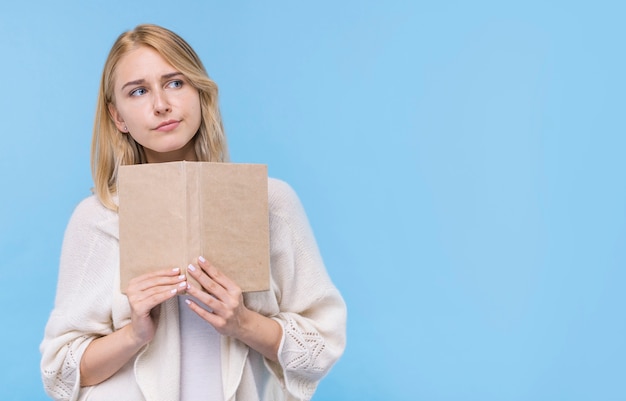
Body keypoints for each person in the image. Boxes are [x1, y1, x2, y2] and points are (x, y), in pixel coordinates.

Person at [40, 24, 347, 401]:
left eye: (175, 83)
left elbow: (321, 349)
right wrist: (135, 332)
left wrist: (243, 323)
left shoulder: (270, 201)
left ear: (200, 93)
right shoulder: (97, 218)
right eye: (138, 91)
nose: (160, 104)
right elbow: (60, 372)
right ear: (117, 117)